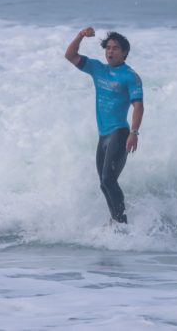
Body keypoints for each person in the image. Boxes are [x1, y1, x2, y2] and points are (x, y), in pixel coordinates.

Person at [65, 27, 144, 224]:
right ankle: (116, 222)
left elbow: (138, 106)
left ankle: (121, 224)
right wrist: (80, 36)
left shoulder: (130, 76)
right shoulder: (98, 69)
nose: (110, 51)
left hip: (120, 132)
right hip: (103, 136)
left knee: (108, 179)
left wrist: (134, 133)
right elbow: (70, 55)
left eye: (115, 48)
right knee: (104, 183)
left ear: (124, 52)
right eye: (108, 48)